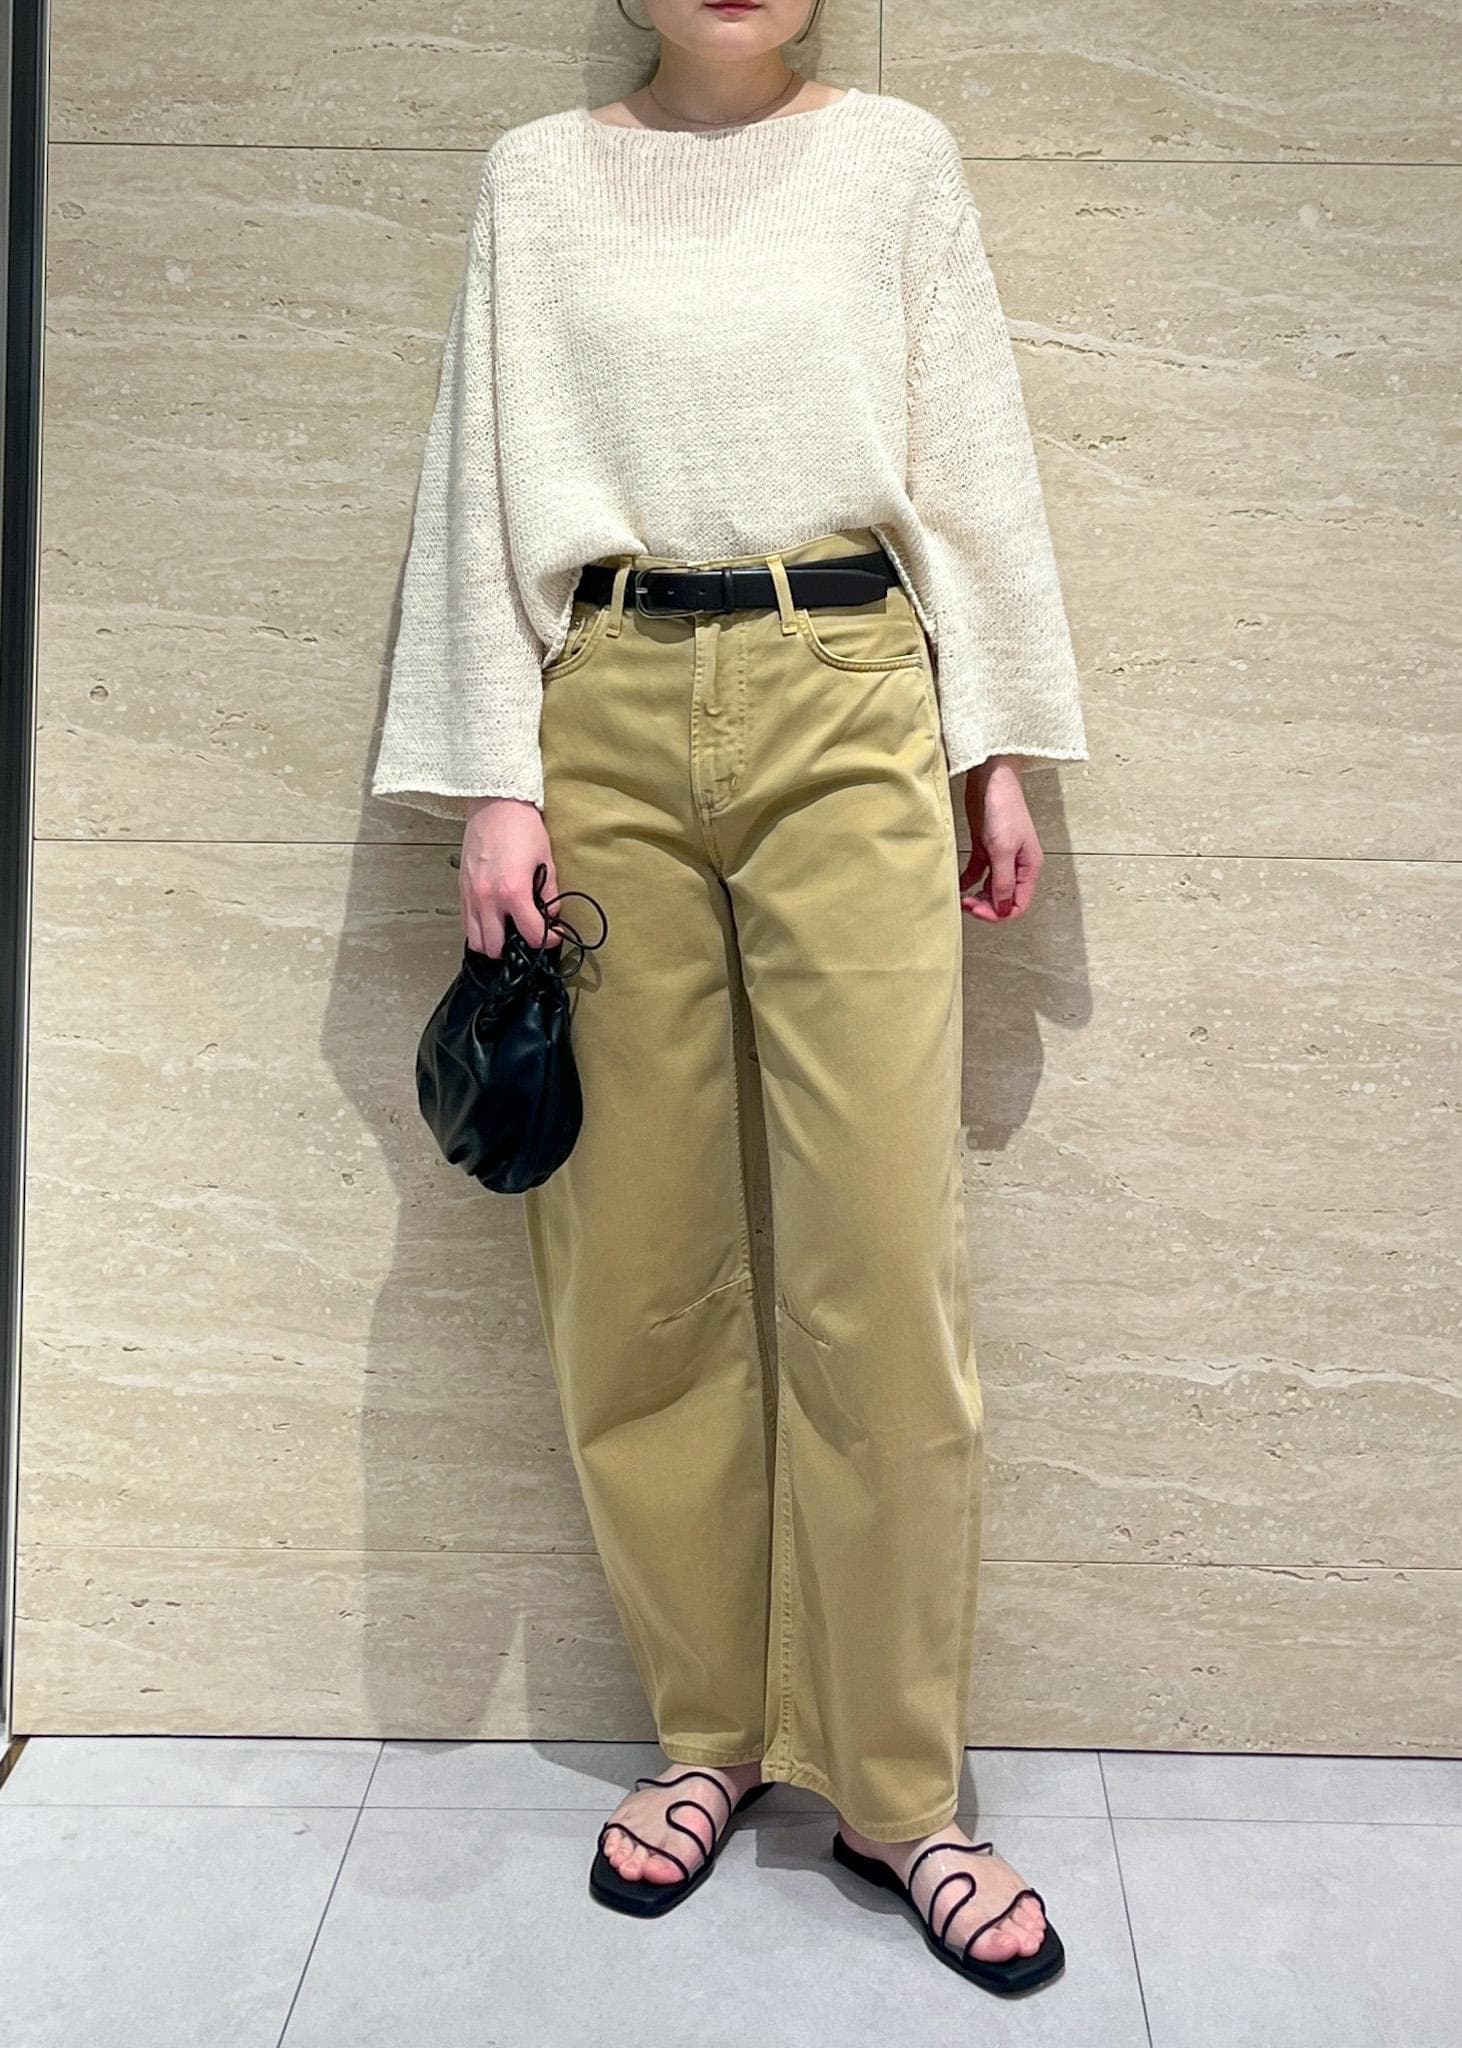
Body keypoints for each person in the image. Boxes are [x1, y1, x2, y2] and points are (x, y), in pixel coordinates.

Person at [370, 0, 1086, 2001]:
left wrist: (994, 741)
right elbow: (478, 485)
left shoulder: (893, 163)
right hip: (599, 708)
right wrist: (494, 777)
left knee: (880, 1264)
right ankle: (709, 1733)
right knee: (636, 1266)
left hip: (850, 693)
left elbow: (967, 449)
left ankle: (898, 1789)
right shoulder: (536, 179)